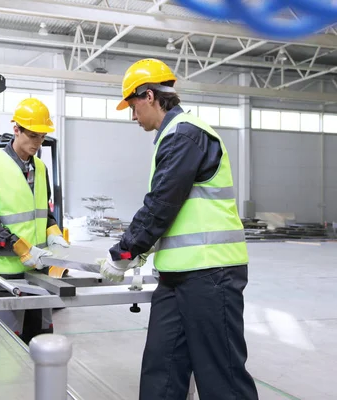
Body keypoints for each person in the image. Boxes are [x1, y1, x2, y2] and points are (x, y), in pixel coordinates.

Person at [99, 59, 259, 400]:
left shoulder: (187, 133)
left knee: (220, 376)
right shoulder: (171, 136)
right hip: (176, 275)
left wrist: (123, 253)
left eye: (132, 105)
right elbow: (175, 210)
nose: (132, 115)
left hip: (211, 273)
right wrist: (144, 250)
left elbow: (162, 203)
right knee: (162, 369)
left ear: (149, 96)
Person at [0, 97, 69, 344]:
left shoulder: (41, 168)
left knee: (41, 342)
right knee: (7, 349)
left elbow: (43, 211)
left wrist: (53, 230)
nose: (38, 142)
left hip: (39, 271)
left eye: (42, 136)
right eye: (33, 135)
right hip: (6, 275)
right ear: (16, 129)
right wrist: (19, 246)